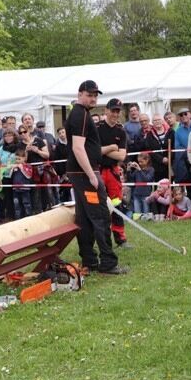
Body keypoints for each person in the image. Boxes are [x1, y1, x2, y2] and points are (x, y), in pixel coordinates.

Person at [66, 80, 126, 275]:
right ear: (80, 94)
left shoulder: (81, 113)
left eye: (95, 95)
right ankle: (108, 262)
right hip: (85, 173)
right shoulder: (80, 114)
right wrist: (92, 175)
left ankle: (89, 260)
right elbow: (77, 147)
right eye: (89, 94)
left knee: (84, 219)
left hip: (80, 173)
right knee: (100, 216)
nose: (93, 98)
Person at [98, 98, 129, 244]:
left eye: (118, 111)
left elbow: (122, 155)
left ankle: (120, 238)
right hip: (96, 170)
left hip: (113, 171)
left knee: (117, 204)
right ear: (106, 110)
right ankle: (101, 237)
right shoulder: (97, 128)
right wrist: (111, 147)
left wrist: (104, 150)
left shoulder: (120, 131)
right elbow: (93, 152)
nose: (115, 114)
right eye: (113, 110)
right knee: (98, 205)